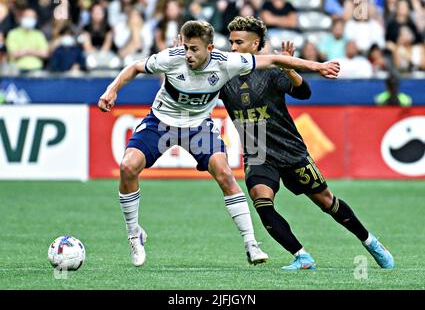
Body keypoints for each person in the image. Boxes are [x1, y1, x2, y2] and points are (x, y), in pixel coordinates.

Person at [97, 20, 340, 267]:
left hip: (198, 127)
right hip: (162, 122)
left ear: (210, 48)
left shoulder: (227, 62)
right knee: (128, 167)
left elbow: (274, 61)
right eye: (186, 47)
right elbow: (135, 67)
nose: (188, 54)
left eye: (194, 49)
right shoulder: (171, 57)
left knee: (225, 174)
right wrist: (112, 90)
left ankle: (251, 244)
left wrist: (317, 66)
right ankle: (134, 235)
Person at [219, 16, 394, 270]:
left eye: (239, 42)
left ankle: (370, 242)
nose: (233, 48)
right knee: (261, 202)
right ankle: (302, 256)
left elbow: (304, 93)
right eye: (231, 42)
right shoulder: (223, 77)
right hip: (257, 154)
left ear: (256, 44)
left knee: (327, 202)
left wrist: (289, 69)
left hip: (290, 151)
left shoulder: (271, 72)